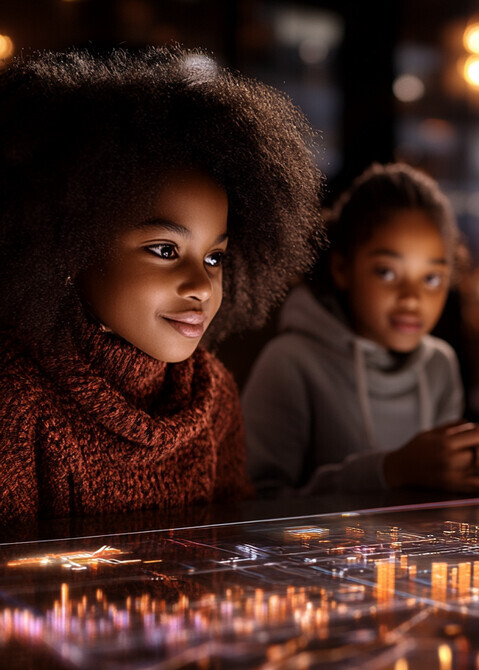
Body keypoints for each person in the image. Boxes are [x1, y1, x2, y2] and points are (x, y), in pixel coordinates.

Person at [0, 46, 323, 530]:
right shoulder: (17, 402)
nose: (201, 285)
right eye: (165, 250)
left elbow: (232, 551)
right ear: (70, 248)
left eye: (215, 257)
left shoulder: (213, 395)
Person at [242, 162, 479, 496]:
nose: (412, 298)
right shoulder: (289, 363)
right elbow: (255, 503)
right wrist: (390, 470)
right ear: (341, 268)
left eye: (431, 278)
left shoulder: (439, 365)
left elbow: (435, 492)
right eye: (387, 272)